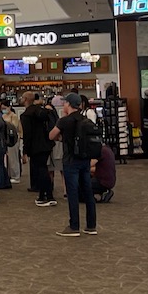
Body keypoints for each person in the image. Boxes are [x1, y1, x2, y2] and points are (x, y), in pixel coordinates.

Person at [49, 93, 99, 237]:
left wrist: (61, 137)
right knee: (88, 192)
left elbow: (51, 135)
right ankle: (91, 225)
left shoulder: (65, 121)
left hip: (70, 161)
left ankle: (74, 226)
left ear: (69, 104)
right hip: (84, 159)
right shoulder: (85, 119)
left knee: (73, 193)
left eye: (65, 103)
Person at [20, 91, 58, 208]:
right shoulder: (41, 111)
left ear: (26, 99)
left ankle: (49, 196)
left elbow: (27, 135)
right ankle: (42, 195)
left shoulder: (26, 115)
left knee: (40, 170)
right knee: (43, 169)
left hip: (35, 146)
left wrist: (25, 151)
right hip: (46, 144)